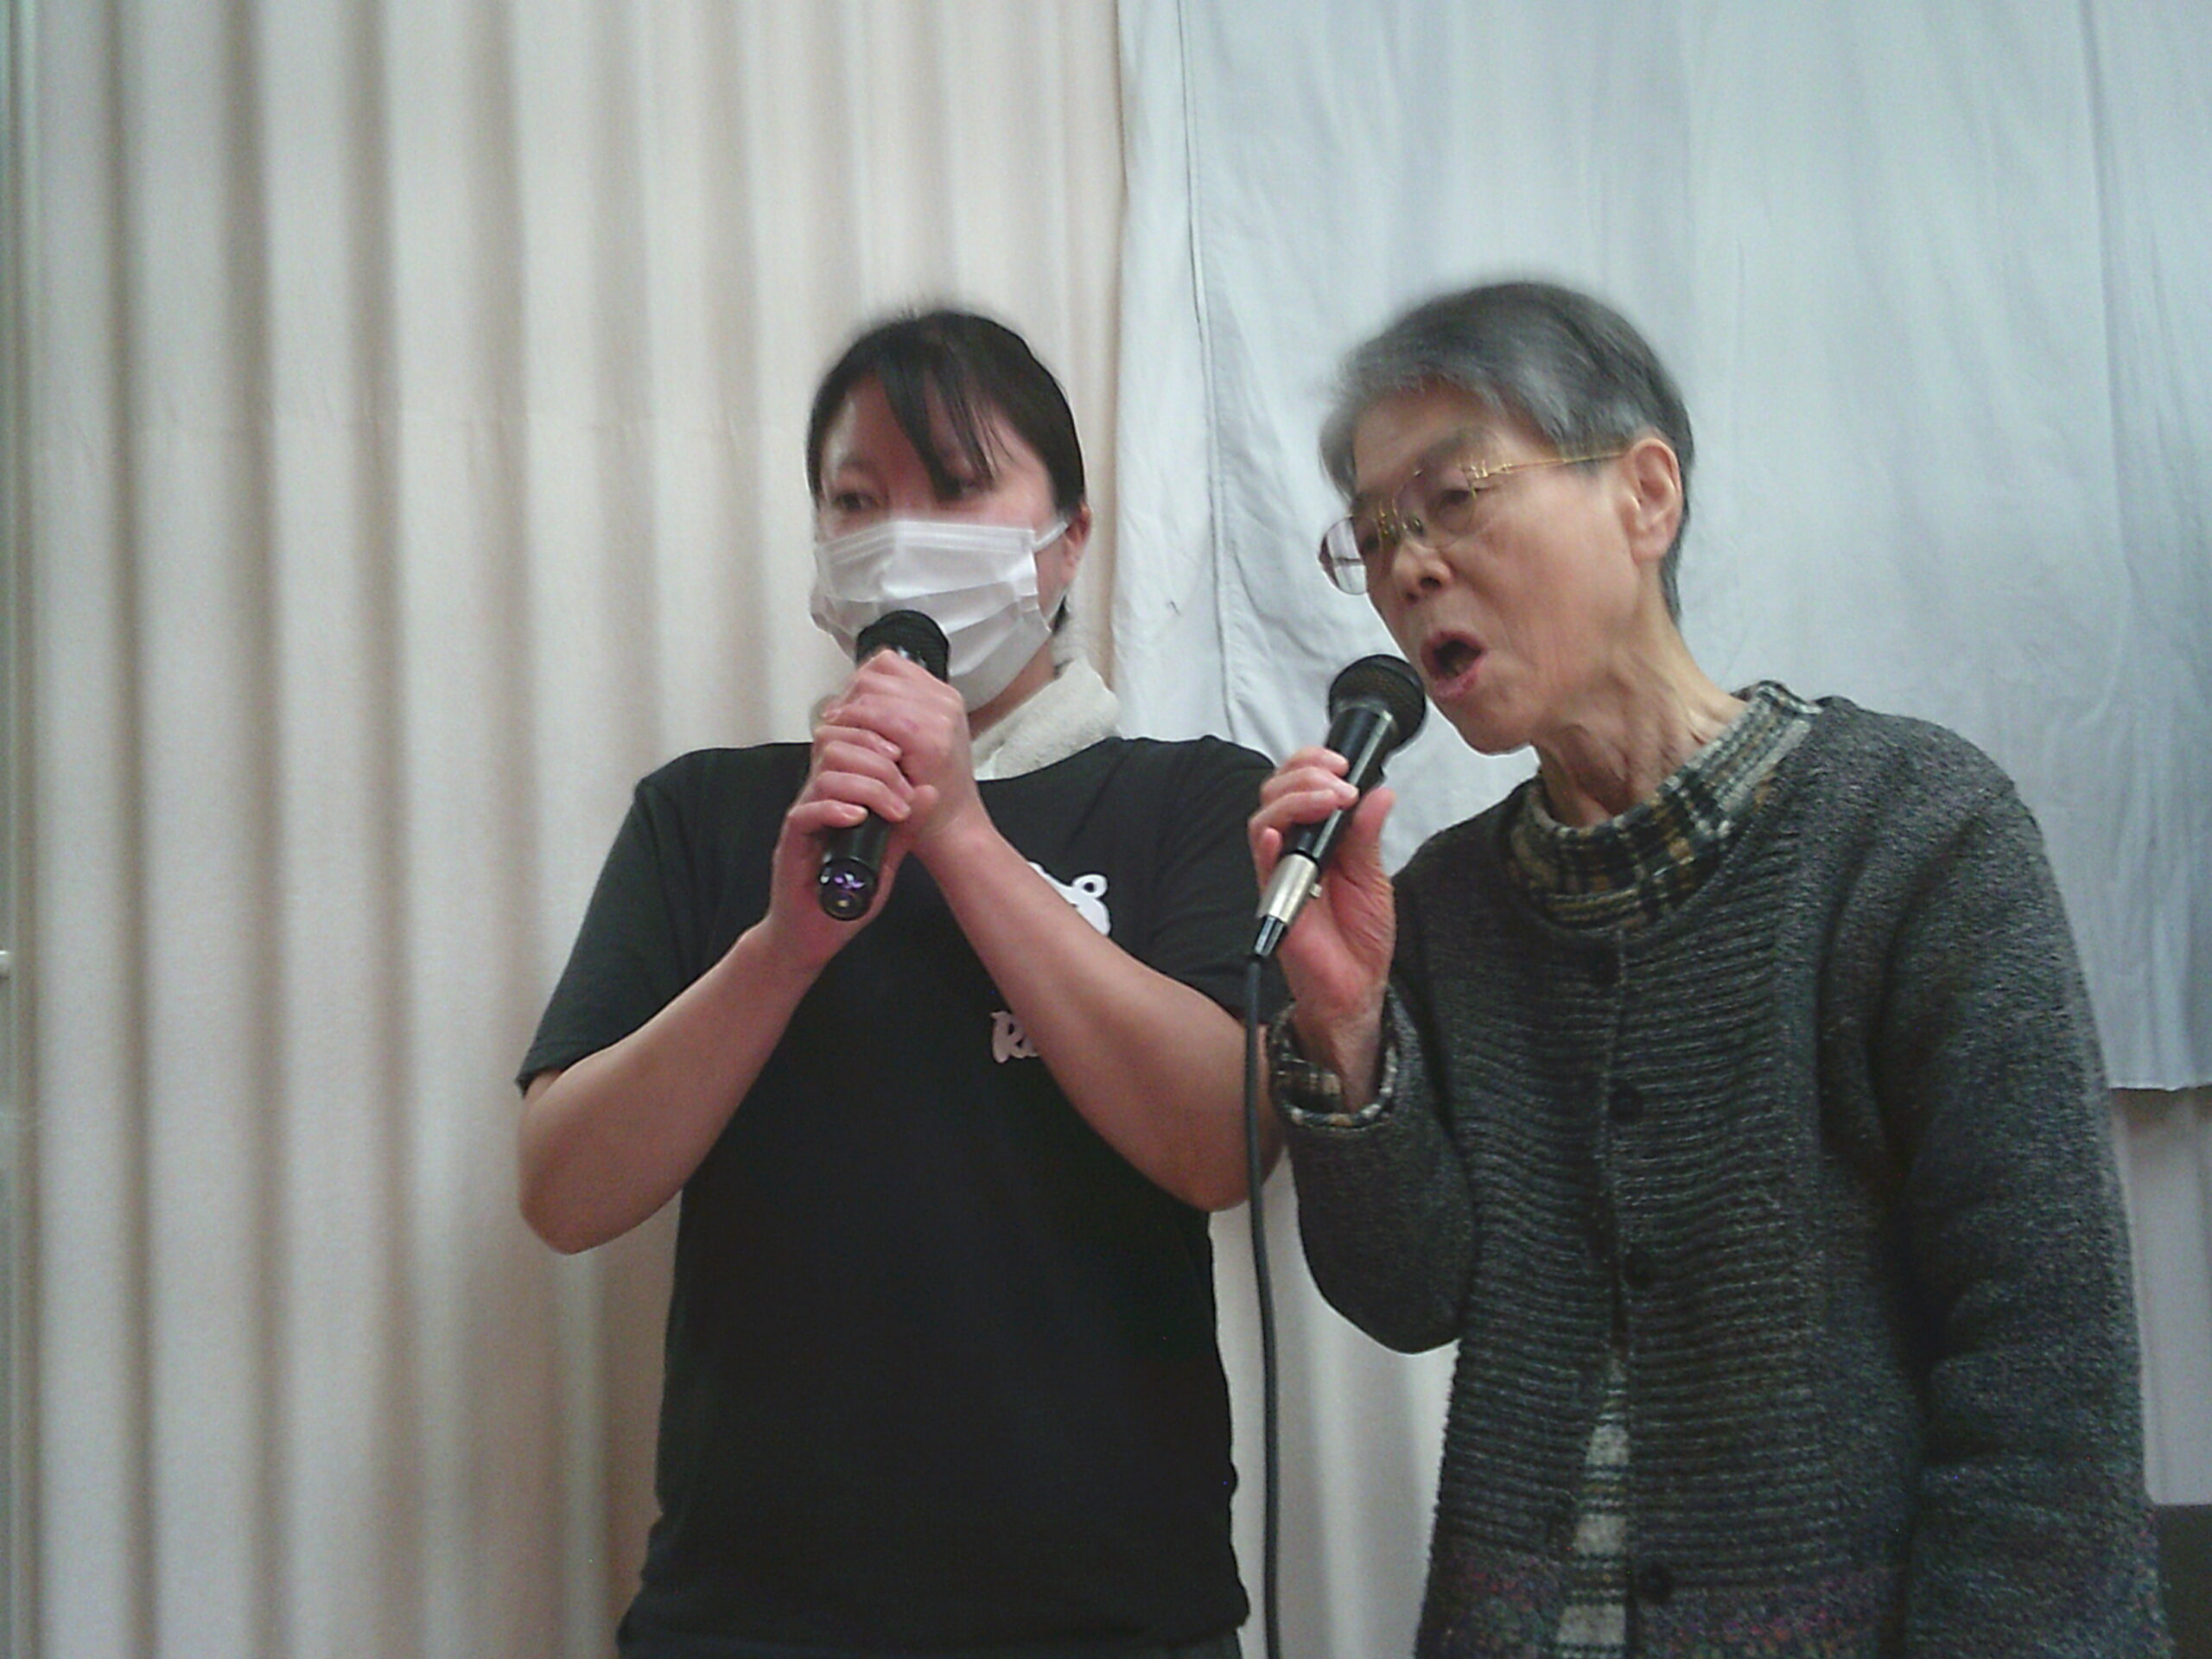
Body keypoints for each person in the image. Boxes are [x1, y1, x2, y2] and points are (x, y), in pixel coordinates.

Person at [1249, 280, 2171, 1657]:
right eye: (1375, 535)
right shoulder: (1443, 904)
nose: (1411, 567)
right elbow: (1409, 1294)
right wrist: (1348, 1028)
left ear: (1645, 496)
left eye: (1455, 498)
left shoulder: (1912, 834)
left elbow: (2045, 1374)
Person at [518, 308, 1273, 1658]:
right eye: (860, 501)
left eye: (961, 487)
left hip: (1109, 1614)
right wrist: (779, 952)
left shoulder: (1192, 801)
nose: (904, 540)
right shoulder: (705, 815)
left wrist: (962, 835)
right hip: (749, 1618)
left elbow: (1220, 1144)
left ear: (1070, 541)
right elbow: (565, 1193)